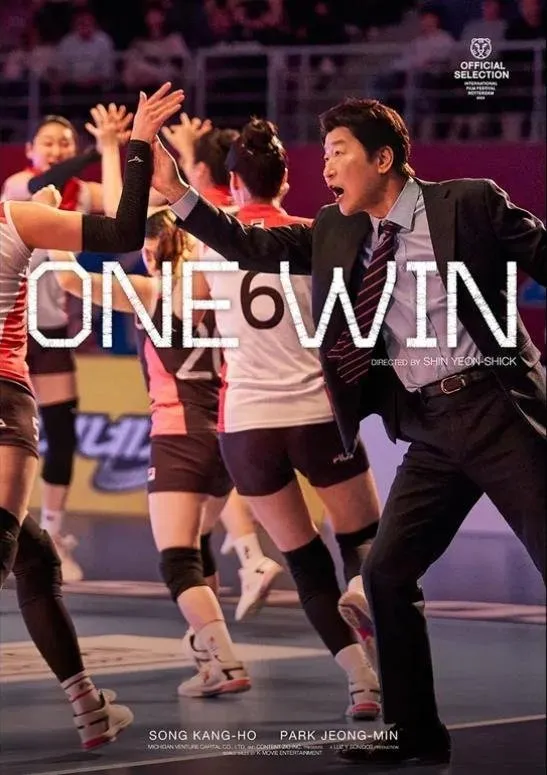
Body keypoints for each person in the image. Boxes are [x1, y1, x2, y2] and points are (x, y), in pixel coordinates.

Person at [150, 97, 546, 765]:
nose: (326, 165)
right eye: (325, 152)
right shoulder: (335, 229)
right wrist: (180, 195)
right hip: (431, 426)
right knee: (385, 574)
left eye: (339, 151)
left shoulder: (468, 202)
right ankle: (413, 732)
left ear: (383, 158)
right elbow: (250, 244)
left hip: (498, 409)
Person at [0, 81, 183, 748]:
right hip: (3, 400)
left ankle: (90, 708)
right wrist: (136, 144)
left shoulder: (23, 212)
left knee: (35, 559)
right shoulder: (15, 217)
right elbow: (125, 231)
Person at [183, 117, 383, 718]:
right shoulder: (315, 236)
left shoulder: (208, 244)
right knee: (363, 540)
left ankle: (361, 683)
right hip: (314, 412)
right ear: (287, 180)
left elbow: (193, 314)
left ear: (233, 182)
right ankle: (363, 589)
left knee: (303, 560)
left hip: (246, 424)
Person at [55, 207, 251, 698]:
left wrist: (51, 227)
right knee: (198, 545)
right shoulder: (223, 291)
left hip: (179, 435)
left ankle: (226, 661)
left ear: (160, 250)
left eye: (147, 248)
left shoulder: (152, 293)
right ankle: (210, 653)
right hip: (228, 435)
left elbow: (70, 280)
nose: (144, 256)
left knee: (177, 560)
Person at [1, 106, 132, 580]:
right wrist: (93, 152)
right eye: (48, 142)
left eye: (65, 143)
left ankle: (54, 533)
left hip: (51, 327)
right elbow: (43, 185)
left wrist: (111, 150)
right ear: (30, 150)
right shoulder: (20, 187)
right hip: (8, 328)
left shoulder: (82, 192)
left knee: (61, 432)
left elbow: (120, 215)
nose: (56, 149)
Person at [162, 114, 284, 613]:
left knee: (185, 536)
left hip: (199, 366)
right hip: (244, 357)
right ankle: (247, 561)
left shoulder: (201, 220)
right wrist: (191, 152)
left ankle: (249, 561)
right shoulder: (243, 219)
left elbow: (124, 211)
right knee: (213, 490)